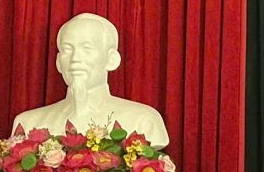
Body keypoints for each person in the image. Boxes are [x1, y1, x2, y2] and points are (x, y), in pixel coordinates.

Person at [12, 12, 169, 143]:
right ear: (58, 62)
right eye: (67, 49)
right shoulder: (28, 123)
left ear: (112, 60)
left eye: (87, 48)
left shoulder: (143, 121)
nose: (75, 58)